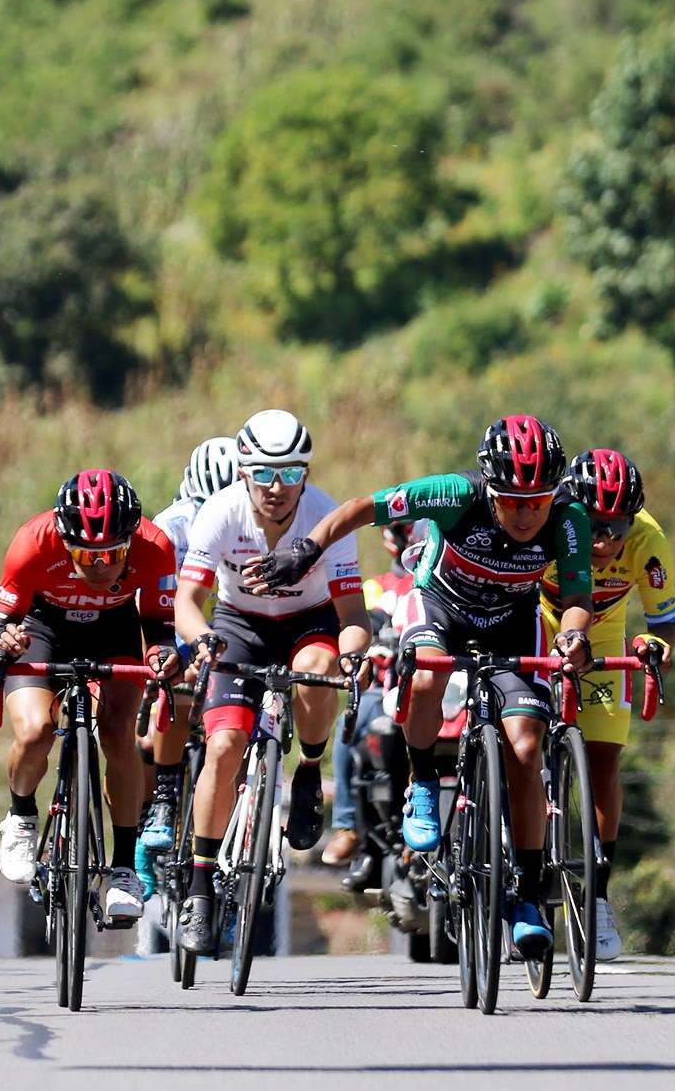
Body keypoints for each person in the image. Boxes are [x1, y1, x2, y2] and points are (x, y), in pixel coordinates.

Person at [241, 414, 594, 962]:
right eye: (511, 501)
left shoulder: (569, 518)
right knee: (427, 670)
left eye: (538, 502)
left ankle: (526, 897)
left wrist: (572, 635)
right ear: (489, 489)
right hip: (442, 608)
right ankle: (424, 781)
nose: (526, 514)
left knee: (526, 747)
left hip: (510, 619)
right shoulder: (454, 494)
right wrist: (304, 551)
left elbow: (576, 594)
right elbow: (363, 508)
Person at [172, 410, 369, 954]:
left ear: (306, 474)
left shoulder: (326, 516)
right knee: (225, 745)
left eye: (289, 473)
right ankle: (200, 886)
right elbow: (188, 603)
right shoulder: (220, 512)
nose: (276, 487)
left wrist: (352, 655)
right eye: (262, 473)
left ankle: (307, 767)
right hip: (239, 625)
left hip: (310, 623)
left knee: (317, 672)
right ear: (242, 473)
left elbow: (353, 616)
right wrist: (200, 640)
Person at [0, 470, 180, 925]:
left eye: (113, 554)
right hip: (43, 629)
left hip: (115, 629)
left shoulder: (155, 547)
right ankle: (21, 815)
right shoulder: (32, 542)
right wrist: (0, 645)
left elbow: (159, 631)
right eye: (84, 555)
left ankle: (124, 866)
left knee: (117, 733)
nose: (100, 566)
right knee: (36, 730)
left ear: (131, 539)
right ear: (62, 538)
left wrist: (163, 659)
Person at [538, 448, 675, 962]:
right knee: (521, 741)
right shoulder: (548, 518)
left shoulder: (648, 541)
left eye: (618, 526)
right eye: (596, 525)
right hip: (538, 618)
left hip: (603, 629)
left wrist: (653, 649)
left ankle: (595, 896)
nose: (607, 540)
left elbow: (664, 623)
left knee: (603, 760)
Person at [135, 436, 236, 895]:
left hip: (230, 621)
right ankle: (164, 795)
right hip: (178, 618)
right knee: (175, 692)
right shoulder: (170, 526)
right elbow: (154, 600)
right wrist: (175, 656)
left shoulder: (254, 521)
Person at [326, 519, 420, 868]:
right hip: (384, 689)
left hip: (440, 690)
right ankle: (347, 826)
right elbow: (364, 620)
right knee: (348, 725)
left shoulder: (446, 581)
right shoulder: (378, 586)